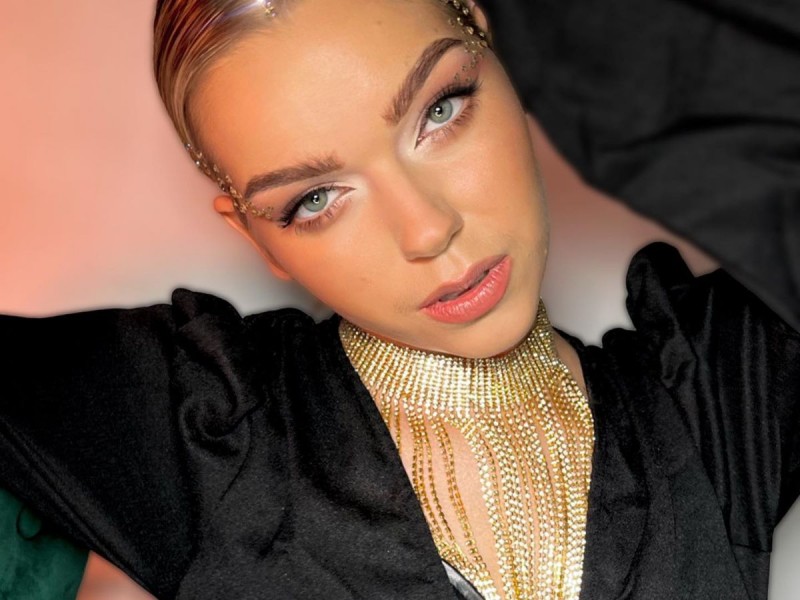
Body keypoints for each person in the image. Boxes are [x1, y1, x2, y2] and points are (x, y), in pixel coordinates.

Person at [1, 0, 798, 599]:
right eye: (314, 199)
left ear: (504, 51)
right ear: (256, 238)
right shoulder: (199, 428)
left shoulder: (720, 396)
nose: (426, 229)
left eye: (441, 110)